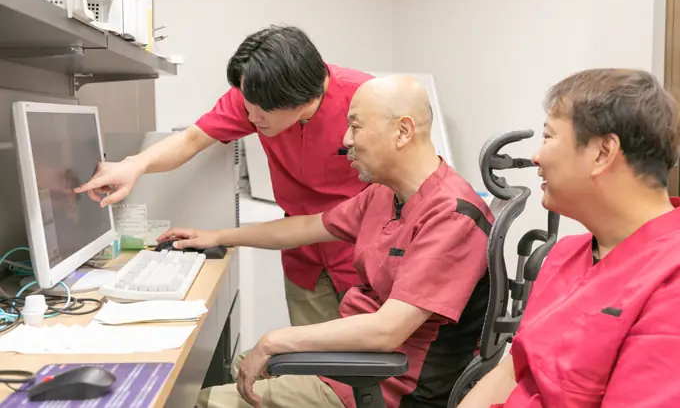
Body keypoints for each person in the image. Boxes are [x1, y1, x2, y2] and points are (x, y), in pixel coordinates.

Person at [160, 75, 493, 408]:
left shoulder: (452, 217)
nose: (346, 139)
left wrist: (274, 340)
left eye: (356, 126)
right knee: (235, 366)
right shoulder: (385, 194)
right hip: (361, 361)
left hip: (394, 388)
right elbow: (307, 227)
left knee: (195, 401)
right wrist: (217, 236)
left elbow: (386, 331)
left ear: (403, 131)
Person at [74, 25, 374, 327]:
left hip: (366, 254)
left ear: (300, 98)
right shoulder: (256, 95)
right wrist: (134, 165)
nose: (252, 119)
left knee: (372, 362)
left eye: (261, 111)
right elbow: (192, 140)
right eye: (247, 107)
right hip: (303, 256)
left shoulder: (366, 102)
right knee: (313, 360)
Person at [457, 68, 680, 408]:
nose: (535, 157)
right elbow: (512, 370)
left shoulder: (670, 281)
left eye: (547, 137)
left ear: (603, 153)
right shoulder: (566, 254)